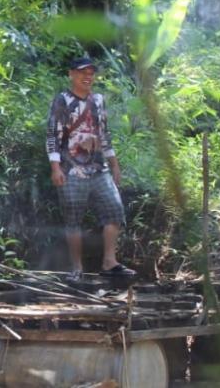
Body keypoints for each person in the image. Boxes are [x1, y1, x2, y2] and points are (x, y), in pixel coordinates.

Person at [46, 57, 134, 279]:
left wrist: (114, 165)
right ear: (71, 74)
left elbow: (104, 135)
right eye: (82, 72)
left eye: (91, 73)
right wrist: (55, 168)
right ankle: (76, 267)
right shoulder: (62, 101)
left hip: (98, 168)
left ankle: (109, 261)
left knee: (115, 210)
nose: (87, 77)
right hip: (70, 169)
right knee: (73, 219)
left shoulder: (98, 100)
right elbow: (53, 136)